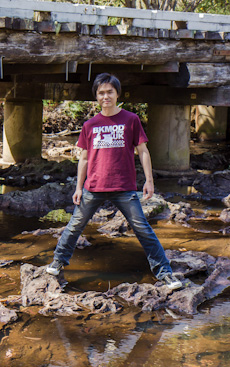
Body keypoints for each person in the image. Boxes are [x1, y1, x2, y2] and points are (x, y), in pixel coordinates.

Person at [45, 73, 182, 290]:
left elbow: (143, 151)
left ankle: (165, 273)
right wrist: (78, 187)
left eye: (110, 92)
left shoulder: (131, 120)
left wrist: (149, 181)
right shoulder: (90, 125)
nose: (105, 96)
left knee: (143, 230)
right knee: (74, 227)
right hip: (94, 187)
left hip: (124, 188)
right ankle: (58, 262)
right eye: (101, 93)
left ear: (117, 94)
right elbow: (84, 158)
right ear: (96, 97)